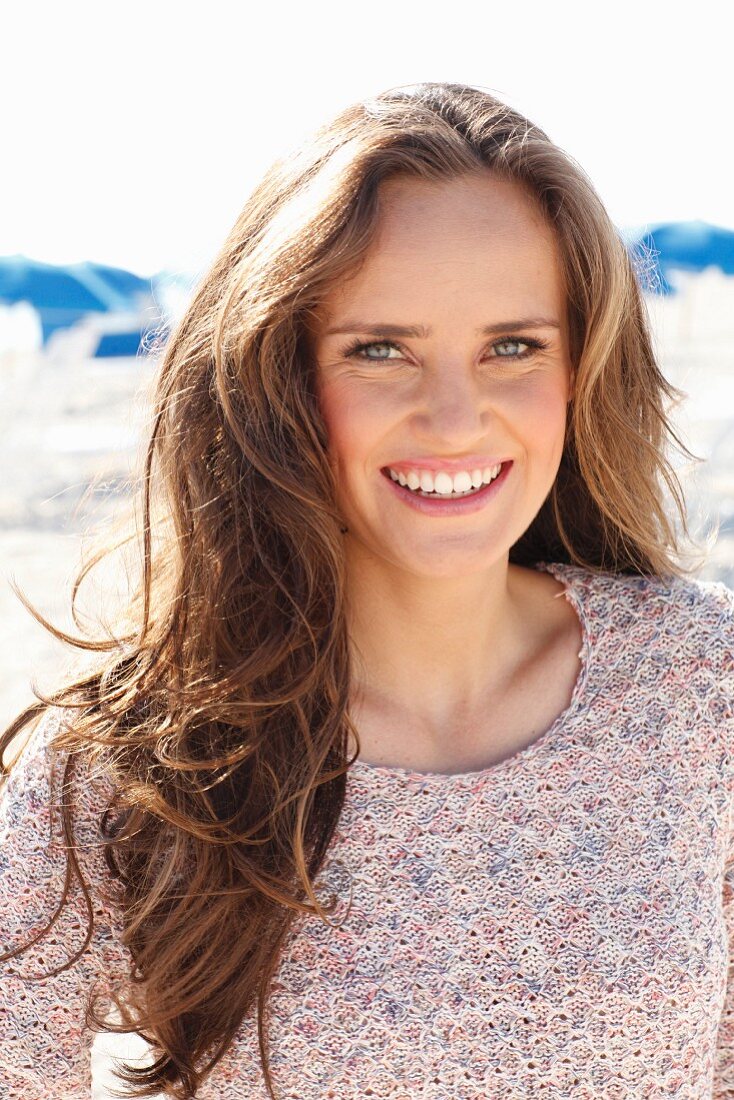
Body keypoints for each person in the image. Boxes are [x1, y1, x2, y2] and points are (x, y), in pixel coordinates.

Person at [1, 80, 732, 1100]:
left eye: (510, 346)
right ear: (277, 380)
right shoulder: (118, 772)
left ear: (580, 369)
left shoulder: (702, 686)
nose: (452, 416)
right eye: (378, 350)